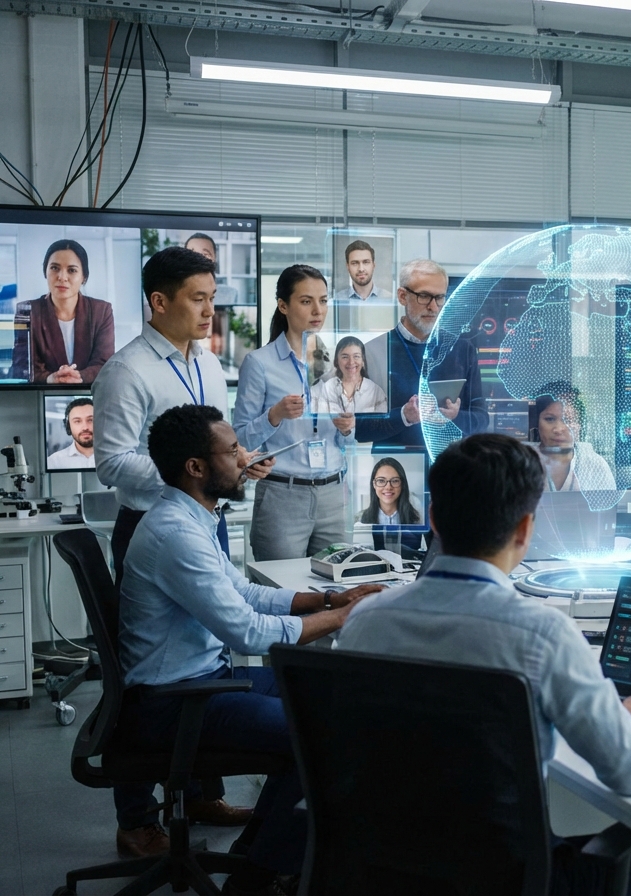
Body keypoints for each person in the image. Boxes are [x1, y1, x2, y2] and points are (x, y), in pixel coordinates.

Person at [336, 434, 631, 896]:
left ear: (436, 521)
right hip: (511, 879)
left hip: (381, 869)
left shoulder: (364, 623)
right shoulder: (543, 636)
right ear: (525, 530)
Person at [115, 403, 382, 884]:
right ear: (196, 468)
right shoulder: (176, 533)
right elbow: (247, 631)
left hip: (201, 680)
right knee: (324, 732)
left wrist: (327, 596)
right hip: (173, 702)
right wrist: (343, 616)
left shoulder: (192, 516)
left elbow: (243, 592)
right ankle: (262, 875)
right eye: (233, 450)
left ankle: (257, 853)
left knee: (327, 697)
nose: (245, 459)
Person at [93, 246, 275, 586]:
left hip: (210, 521)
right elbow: (112, 463)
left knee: (216, 635)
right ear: (160, 302)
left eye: (212, 297)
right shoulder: (125, 371)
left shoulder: (210, 364)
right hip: (153, 525)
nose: (210, 310)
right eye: (197, 299)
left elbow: (214, 443)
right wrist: (197, 472)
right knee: (168, 638)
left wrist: (238, 460)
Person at [234, 265, 354, 562]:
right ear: (283, 305)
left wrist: (347, 427)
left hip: (334, 495)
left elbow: (352, 439)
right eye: (306, 301)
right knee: (282, 595)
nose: (317, 310)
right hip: (282, 496)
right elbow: (239, 440)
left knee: (338, 591)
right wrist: (274, 415)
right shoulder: (259, 363)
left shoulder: (339, 362)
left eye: (324, 300)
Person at [357, 259, 487, 450]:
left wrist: (456, 416)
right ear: (402, 296)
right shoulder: (371, 352)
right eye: (424, 296)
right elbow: (359, 429)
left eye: (440, 297)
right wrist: (403, 416)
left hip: (450, 467)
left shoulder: (463, 350)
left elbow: (482, 419)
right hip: (394, 471)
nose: (434, 307)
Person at [11, 239, 114, 384]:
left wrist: (78, 377)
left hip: (91, 396)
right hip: (41, 395)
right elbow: (21, 367)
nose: (62, 277)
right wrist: (50, 378)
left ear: (84, 277)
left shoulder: (101, 311)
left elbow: (105, 365)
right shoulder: (27, 311)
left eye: (72, 270)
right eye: (54, 268)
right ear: (45, 271)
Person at [533, 383, 616, 493]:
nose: (558, 429)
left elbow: (606, 508)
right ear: (536, 422)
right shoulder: (520, 463)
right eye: (549, 419)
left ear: (580, 424)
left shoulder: (596, 465)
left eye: (568, 420)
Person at [358, 455, 423, 552]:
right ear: (374, 484)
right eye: (381, 481)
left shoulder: (418, 519)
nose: (388, 487)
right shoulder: (361, 520)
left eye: (395, 481)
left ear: (402, 484)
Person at [311, 335, 388, 415]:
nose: (351, 362)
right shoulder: (325, 389)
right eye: (345, 357)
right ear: (337, 361)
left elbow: (382, 424)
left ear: (363, 361)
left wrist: (356, 423)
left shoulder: (376, 392)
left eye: (356, 356)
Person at [184, 232, 240, 305]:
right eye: (192, 253)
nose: (198, 258)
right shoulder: (175, 292)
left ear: (215, 258)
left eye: (205, 254)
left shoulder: (229, 295)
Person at [47, 397, 95, 470]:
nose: (85, 427)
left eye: (90, 420)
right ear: (68, 426)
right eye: (77, 421)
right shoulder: (54, 462)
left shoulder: (115, 458)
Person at [333, 239, 386, 304]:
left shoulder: (387, 298)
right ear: (348, 267)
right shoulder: (338, 299)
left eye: (366, 262)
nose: (361, 269)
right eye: (355, 263)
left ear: (373, 265)